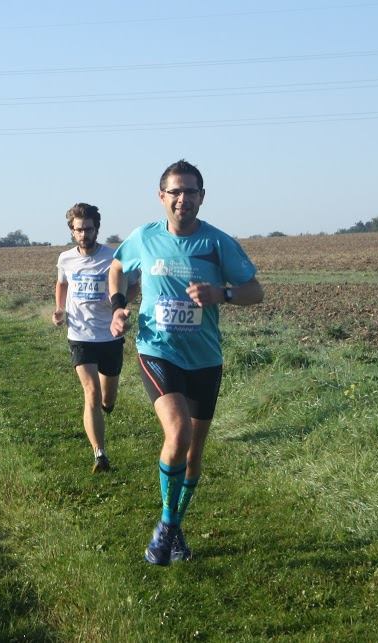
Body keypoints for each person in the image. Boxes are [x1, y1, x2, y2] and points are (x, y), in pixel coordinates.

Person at [109, 160, 263, 565]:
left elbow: (255, 290)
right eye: (175, 191)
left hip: (205, 358)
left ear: (201, 197)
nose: (183, 199)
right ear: (161, 196)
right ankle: (165, 526)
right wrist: (119, 305)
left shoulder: (217, 243)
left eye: (190, 191)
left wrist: (222, 294)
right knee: (177, 434)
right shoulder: (145, 237)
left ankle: (174, 527)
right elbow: (118, 268)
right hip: (157, 349)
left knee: (193, 454)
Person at [54, 203, 138, 474]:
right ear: (72, 231)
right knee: (91, 391)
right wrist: (59, 309)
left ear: (96, 229)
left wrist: (120, 308)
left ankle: (107, 405)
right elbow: (62, 284)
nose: (83, 234)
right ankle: (99, 454)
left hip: (109, 335)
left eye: (88, 229)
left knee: (107, 399)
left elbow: (134, 284)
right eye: (79, 230)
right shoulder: (66, 259)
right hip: (79, 334)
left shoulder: (113, 257)